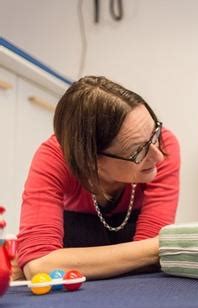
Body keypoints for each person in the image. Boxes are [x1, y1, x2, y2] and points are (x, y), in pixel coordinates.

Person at [14, 76, 180, 280]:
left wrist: (62, 262)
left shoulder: (165, 145)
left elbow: (150, 258)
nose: (159, 156)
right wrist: (159, 247)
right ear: (91, 161)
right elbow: (39, 265)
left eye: (155, 132)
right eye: (139, 151)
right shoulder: (53, 158)